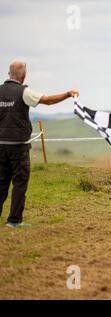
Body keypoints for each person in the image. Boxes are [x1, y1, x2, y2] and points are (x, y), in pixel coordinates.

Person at [0, 60, 78, 228]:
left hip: (0, 146)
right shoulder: (24, 92)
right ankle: (13, 221)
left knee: (1, 183)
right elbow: (48, 101)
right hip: (18, 146)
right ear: (23, 75)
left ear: (8, 74)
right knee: (19, 183)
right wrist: (68, 94)